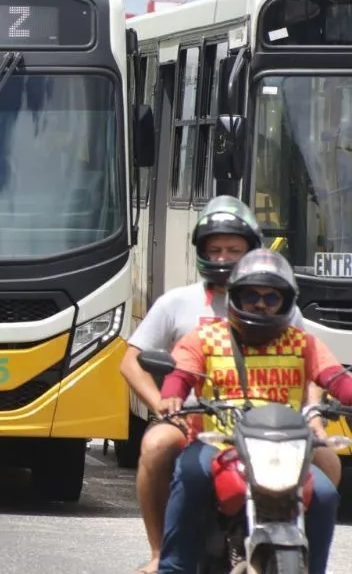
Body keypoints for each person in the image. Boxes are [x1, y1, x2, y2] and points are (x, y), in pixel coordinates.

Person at [118, 195, 338, 574]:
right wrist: (165, 405)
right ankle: (165, 556)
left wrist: (314, 417)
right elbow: (148, 365)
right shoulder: (188, 315)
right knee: (167, 454)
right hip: (203, 421)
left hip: (276, 428)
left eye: (232, 251)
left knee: (326, 479)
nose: (261, 305)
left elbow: (317, 369)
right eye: (214, 250)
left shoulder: (292, 325)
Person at [157, 249, 352, 574]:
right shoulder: (207, 337)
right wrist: (171, 397)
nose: (260, 304)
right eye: (251, 295)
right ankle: (172, 567)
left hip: (286, 448)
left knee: (325, 494)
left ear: (285, 302)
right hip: (219, 442)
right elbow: (180, 375)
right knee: (190, 476)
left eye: (271, 297)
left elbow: (336, 378)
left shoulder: (303, 342)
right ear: (235, 297)